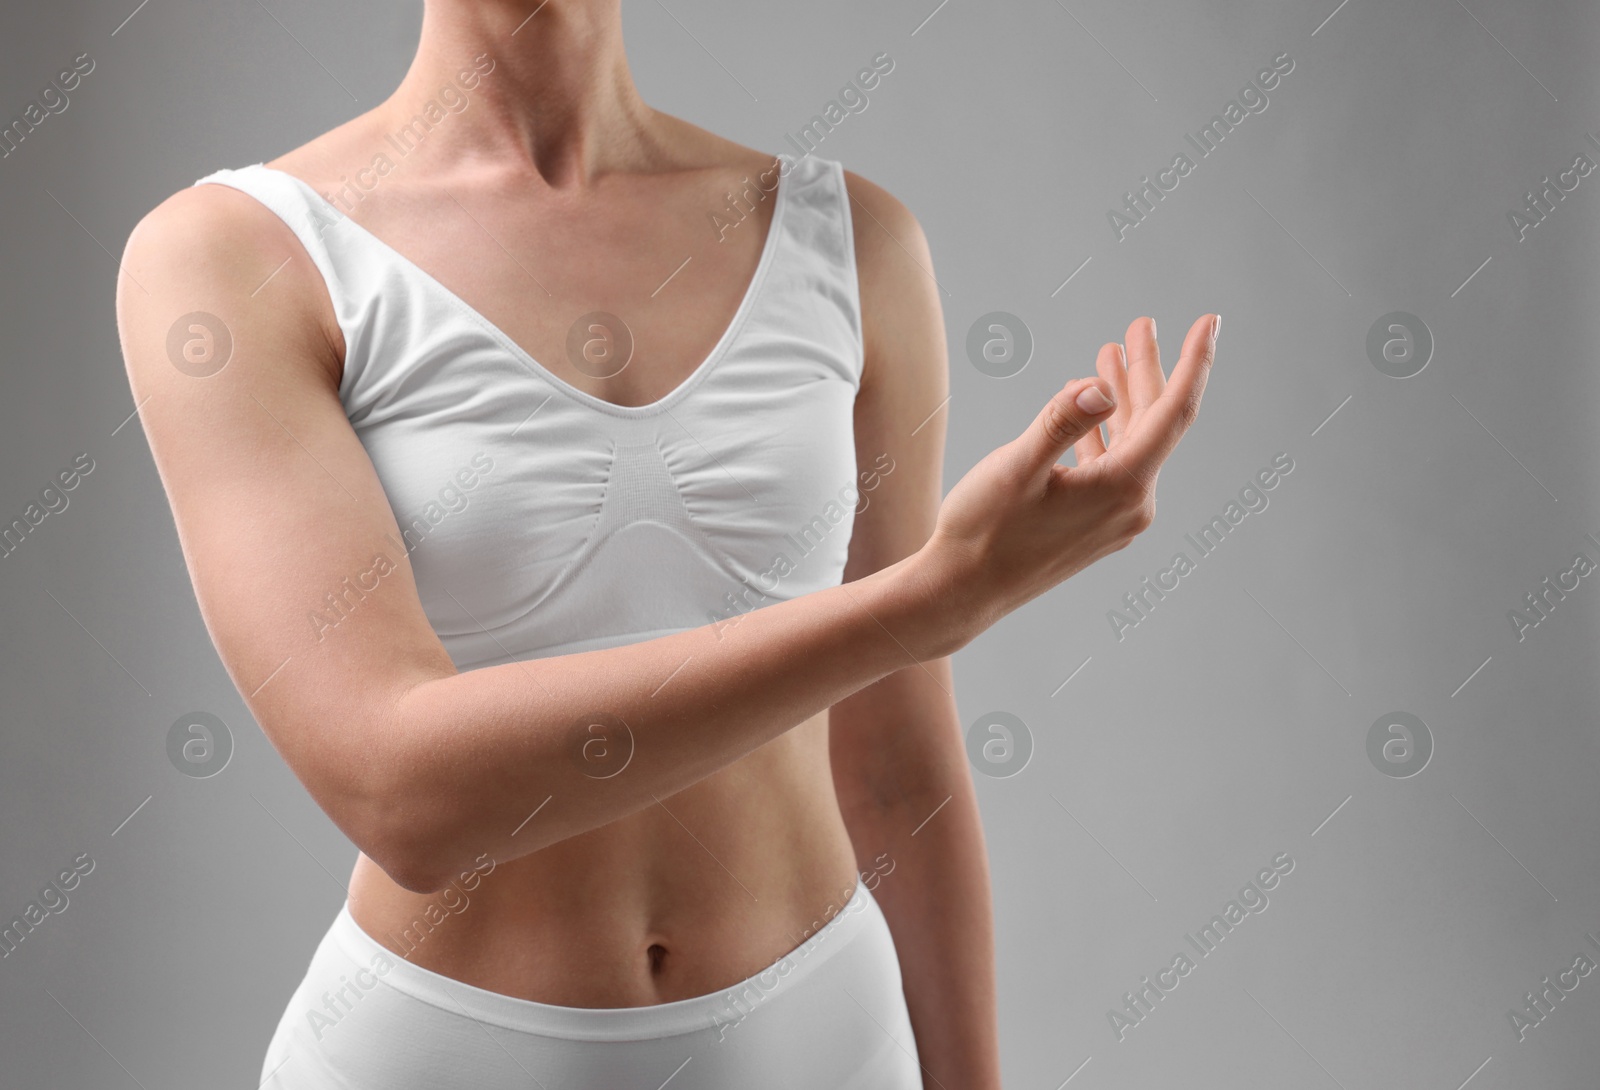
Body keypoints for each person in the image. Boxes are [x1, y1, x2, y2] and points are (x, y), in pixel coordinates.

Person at [114, 1, 1219, 1085]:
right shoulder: (230, 259)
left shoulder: (854, 242)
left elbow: (890, 756)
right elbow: (397, 790)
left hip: (825, 1040)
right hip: (449, 1051)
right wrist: (928, 600)